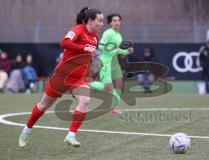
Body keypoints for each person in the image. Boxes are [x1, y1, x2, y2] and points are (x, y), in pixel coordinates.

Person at [18, 7, 104, 148]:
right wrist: (83, 48)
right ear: (90, 20)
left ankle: (71, 136)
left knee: (85, 100)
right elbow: (64, 43)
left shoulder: (95, 37)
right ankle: (26, 130)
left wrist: (88, 74)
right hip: (61, 76)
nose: (102, 24)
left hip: (77, 78)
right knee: (43, 106)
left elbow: (87, 58)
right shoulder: (78, 29)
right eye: (99, 21)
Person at [90, 13, 133, 114]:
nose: (117, 23)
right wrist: (114, 51)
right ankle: (86, 83)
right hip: (105, 62)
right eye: (114, 21)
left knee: (119, 84)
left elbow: (119, 51)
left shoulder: (119, 35)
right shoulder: (108, 33)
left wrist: (127, 51)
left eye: (118, 20)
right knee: (108, 87)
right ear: (110, 23)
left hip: (113, 63)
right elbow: (100, 46)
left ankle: (113, 107)